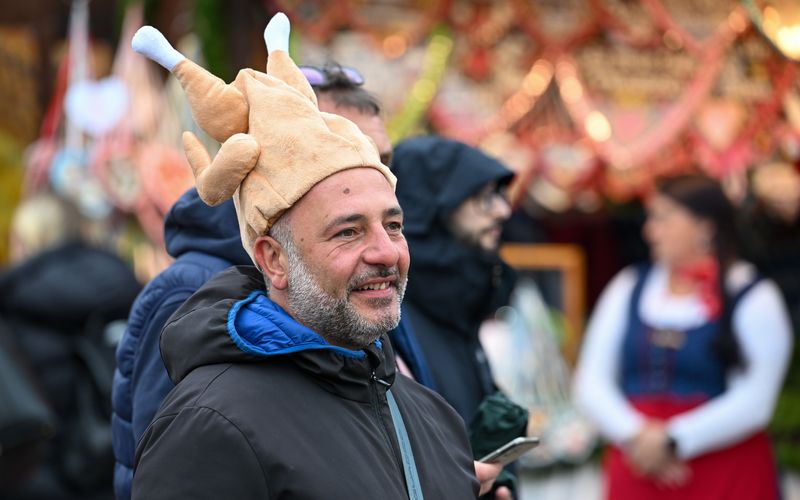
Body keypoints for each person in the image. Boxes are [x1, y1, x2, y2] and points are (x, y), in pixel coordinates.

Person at [128, 13, 502, 499]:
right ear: (274, 259)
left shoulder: (427, 414)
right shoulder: (211, 426)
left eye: (393, 225)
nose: (386, 252)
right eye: (348, 232)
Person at [573, 173, 793, 500]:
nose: (650, 231)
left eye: (663, 219)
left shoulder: (752, 295)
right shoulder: (630, 286)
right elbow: (590, 381)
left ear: (705, 226)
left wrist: (674, 439)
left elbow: (756, 399)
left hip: (725, 471)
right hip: (639, 467)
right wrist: (637, 437)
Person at [1, 192, 141, 500]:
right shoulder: (123, 287)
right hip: (125, 474)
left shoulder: (13, 307)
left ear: (24, 242)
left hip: (39, 482)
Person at [391, 135, 517, 426]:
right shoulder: (393, 313)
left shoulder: (461, 295)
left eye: (500, 194)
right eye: (483, 196)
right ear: (434, 205)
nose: (503, 211)